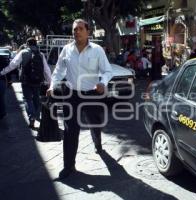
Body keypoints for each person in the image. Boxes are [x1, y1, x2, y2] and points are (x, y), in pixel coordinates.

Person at [46, 19, 112, 179]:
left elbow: (107, 71)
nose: (77, 32)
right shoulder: (67, 50)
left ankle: (98, 144)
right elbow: (59, 70)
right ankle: (69, 166)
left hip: (91, 94)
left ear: (87, 31)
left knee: (95, 123)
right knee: (70, 130)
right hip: (71, 95)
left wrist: (102, 83)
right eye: (75, 29)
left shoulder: (97, 50)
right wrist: (52, 85)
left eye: (80, 29)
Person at [0, 38, 51, 128]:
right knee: (36, 98)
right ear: (36, 44)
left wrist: (2, 72)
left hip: (26, 81)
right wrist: (49, 82)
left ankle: (31, 117)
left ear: (27, 44)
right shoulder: (41, 54)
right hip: (38, 81)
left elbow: (13, 64)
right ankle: (36, 115)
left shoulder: (23, 52)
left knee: (27, 99)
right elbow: (46, 70)